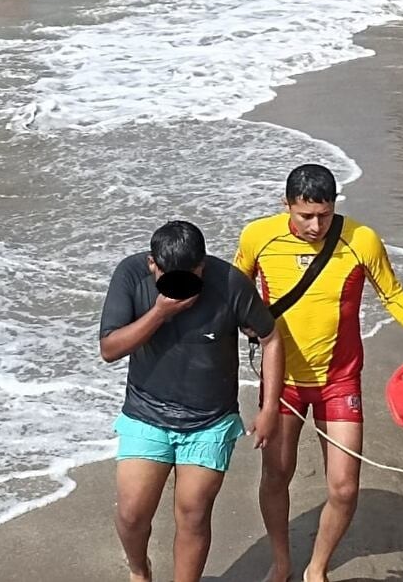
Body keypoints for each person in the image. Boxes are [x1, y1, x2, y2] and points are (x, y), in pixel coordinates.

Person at [232, 164, 403, 582]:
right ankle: (281, 562)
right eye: (305, 215)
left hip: (340, 381)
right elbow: (234, 289)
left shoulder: (361, 239)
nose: (315, 226)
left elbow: (392, 293)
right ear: (287, 205)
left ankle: (316, 569)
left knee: (344, 487)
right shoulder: (258, 237)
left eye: (324, 215)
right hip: (282, 383)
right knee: (276, 475)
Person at [101, 220, 285, 582]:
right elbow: (109, 349)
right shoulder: (131, 275)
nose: (184, 286)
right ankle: (140, 570)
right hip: (146, 412)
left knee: (194, 514)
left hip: (209, 421)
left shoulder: (229, 282)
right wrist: (160, 312)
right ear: (153, 264)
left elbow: (271, 339)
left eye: (193, 275)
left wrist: (269, 409)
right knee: (132, 515)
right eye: (172, 278)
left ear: (203, 264)